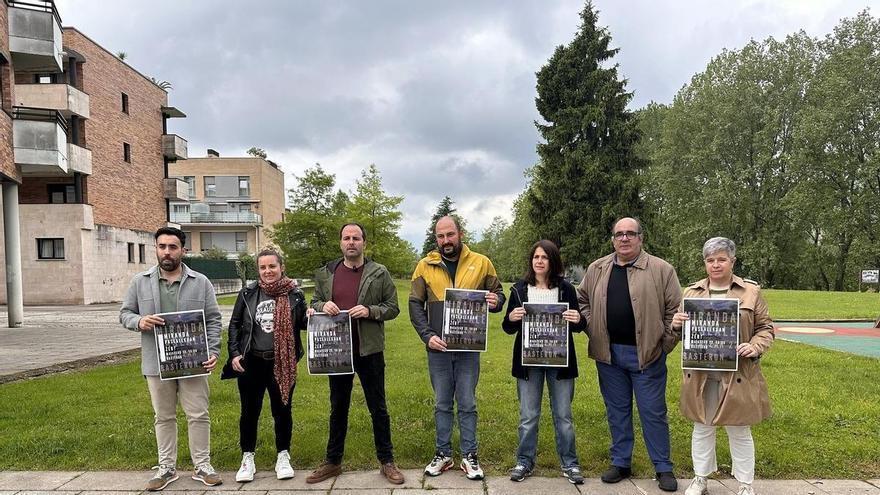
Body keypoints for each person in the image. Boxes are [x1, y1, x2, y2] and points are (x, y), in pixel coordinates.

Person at [576, 217, 682, 492]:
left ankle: (663, 467)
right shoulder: (597, 268)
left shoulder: (661, 269)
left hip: (647, 355)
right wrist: (593, 327)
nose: (624, 239)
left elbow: (675, 310)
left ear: (640, 238)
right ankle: (621, 462)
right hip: (609, 356)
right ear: (613, 239)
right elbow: (582, 300)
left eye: (630, 234)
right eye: (619, 234)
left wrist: (664, 344)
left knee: (653, 412)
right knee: (617, 411)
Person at [119, 227, 222, 491]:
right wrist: (139, 321)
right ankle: (166, 468)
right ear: (155, 248)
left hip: (193, 361)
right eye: (162, 246)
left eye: (172, 247)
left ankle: (202, 465)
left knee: (198, 414)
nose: (167, 251)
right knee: (163, 416)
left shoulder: (201, 282)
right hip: (156, 362)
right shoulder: (140, 281)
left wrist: (213, 351)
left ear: (183, 250)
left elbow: (213, 319)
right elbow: (125, 313)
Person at [674, 237, 774, 495]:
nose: (715, 265)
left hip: (738, 374)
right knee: (702, 427)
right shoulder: (691, 292)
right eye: (710, 260)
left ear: (732, 261)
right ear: (704, 263)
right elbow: (681, 333)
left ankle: (745, 484)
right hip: (701, 374)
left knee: (739, 429)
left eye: (721, 259)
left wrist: (754, 346)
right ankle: (700, 478)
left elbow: (766, 328)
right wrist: (676, 324)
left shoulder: (751, 291)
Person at [305, 223, 404, 485]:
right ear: (340, 243)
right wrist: (320, 305)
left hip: (369, 349)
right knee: (338, 407)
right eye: (347, 238)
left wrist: (370, 311)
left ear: (364, 243)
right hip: (337, 351)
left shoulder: (378, 272)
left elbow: (393, 307)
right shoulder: (327, 272)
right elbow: (313, 303)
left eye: (356, 238)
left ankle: (387, 461)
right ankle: (333, 461)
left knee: (378, 407)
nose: (351, 242)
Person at [410, 215, 505, 480]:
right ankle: (443, 454)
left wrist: (496, 300)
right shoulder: (424, 266)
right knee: (442, 403)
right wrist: (427, 336)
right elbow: (415, 304)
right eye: (440, 236)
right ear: (435, 238)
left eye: (450, 235)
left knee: (467, 402)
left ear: (460, 233)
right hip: (437, 347)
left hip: (468, 347)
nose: (445, 241)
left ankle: (469, 455)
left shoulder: (481, 262)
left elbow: (499, 294)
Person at [501, 240, 587, 484]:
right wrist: (512, 317)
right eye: (536, 257)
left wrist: (577, 318)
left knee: (564, 416)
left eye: (545, 257)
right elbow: (507, 328)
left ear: (553, 261)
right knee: (528, 416)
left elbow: (581, 325)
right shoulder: (519, 290)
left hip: (560, 361)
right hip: (529, 362)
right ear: (531, 261)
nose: (539, 261)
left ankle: (570, 463)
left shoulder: (566, 289)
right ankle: (524, 461)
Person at [224, 249, 307, 483]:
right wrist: (234, 353)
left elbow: (302, 323)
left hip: (282, 362)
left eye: (272, 266)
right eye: (263, 267)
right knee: (250, 412)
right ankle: (247, 458)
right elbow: (235, 324)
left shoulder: (295, 294)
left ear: (281, 267)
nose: (268, 271)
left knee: (282, 410)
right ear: (258, 270)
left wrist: (312, 314)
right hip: (252, 361)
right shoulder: (248, 293)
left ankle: (283, 455)